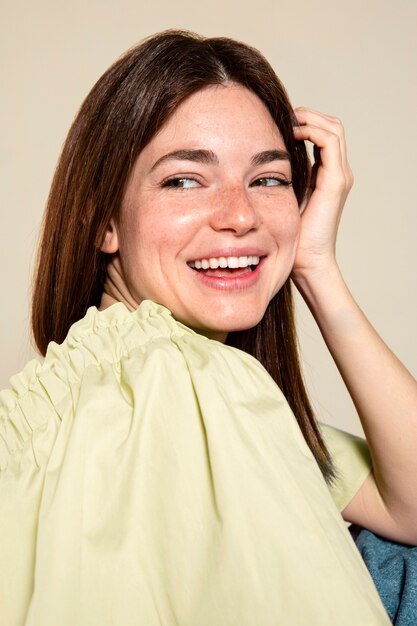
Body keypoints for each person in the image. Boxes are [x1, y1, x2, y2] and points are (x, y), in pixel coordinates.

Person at [1, 29, 416, 626]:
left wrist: (315, 262)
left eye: (268, 178)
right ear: (103, 221)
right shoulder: (187, 378)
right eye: (184, 180)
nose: (241, 215)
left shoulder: (111, 395)